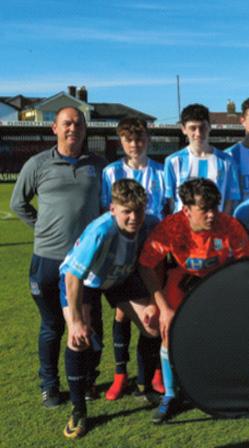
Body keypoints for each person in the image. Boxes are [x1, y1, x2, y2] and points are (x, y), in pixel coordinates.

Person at [10, 106, 106, 408]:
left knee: (90, 322)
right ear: (54, 128)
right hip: (48, 259)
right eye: (66, 123)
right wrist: (43, 227)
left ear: (85, 129)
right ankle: (49, 385)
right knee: (52, 325)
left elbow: (107, 206)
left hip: (87, 262)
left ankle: (88, 379)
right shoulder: (38, 164)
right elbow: (18, 203)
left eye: (78, 124)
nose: (72, 129)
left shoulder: (99, 165)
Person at [139, 179, 249, 423]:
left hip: (218, 282)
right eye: (205, 209)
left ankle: (224, 387)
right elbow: (147, 265)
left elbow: (247, 264)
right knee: (169, 328)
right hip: (182, 281)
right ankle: (171, 395)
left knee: (228, 329)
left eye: (215, 207)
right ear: (187, 209)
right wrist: (162, 307)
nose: (212, 214)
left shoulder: (229, 225)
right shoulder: (172, 227)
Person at [58, 179, 161, 438]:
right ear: (113, 208)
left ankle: (144, 387)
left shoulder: (149, 224)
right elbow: (73, 277)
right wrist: (77, 321)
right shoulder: (102, 231)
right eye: (127, 211)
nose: (134, 217)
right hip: (85, 282)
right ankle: (79, 409)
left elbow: (147, 266)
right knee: (79, 339)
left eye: (138, 210)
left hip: (120, 279)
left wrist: (152, 301)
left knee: (152, 326)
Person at [101, 116, 166, 401]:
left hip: (154, 252)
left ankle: (154, 372)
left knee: (154, 308)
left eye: (139, 139)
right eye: (128, 140)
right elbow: (106, 211)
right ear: (121, 142)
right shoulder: (110, 172)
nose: (134, 144)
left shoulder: (161, 172)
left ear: (147, 140)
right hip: (122, 252)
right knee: (121, 312)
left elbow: (167, 210)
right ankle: (119, 375)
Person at [164, 103, 241, 214]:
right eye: (193, 128)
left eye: (202, 127)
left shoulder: (227, 162)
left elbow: (230, 200)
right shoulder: (173, 161)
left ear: (209, 127)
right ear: (183, 129)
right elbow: (171, 202)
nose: (198, 133)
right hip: (184, 227)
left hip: (215, 225)